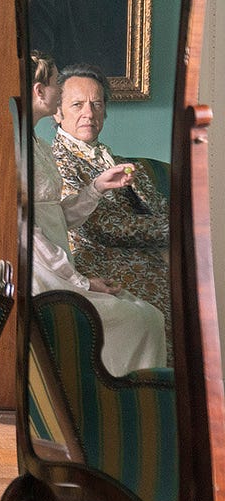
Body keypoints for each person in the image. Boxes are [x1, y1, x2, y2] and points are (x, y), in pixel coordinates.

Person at [27, 52, 166, 375]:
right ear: (47, 99)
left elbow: (57, 215)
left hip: (59, 262)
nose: (89, 113)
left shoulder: (41, 148)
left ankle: (146, 395)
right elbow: (32, 229)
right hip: (50, 269)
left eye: (97, 104)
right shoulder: (45, 153)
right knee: (148, 311)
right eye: (63, 92)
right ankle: (131, 393)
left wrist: (97, 187)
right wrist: (78, 280)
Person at [50, 63, 171, 322]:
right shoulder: (57, 161)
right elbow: (96, 226)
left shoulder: (115, 160)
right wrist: (172, 230)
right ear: (57, 113)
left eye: (97, 104)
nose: (89, 113)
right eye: (77, 105)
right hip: (96, 259)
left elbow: (162, 207)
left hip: (138, 255)